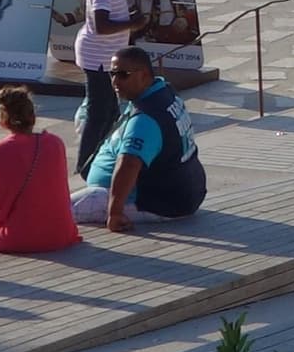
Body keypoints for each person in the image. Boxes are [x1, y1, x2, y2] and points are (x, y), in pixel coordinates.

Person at [75, 49, 206, 228]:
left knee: (53, 212)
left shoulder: (146, 119)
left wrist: (115, 213)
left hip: (152, 202)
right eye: (112, 74)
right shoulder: (162, 90)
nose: (115, 81)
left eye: (122, 75)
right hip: (183, 194)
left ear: (143, 75)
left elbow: (129, 165)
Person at [0, 87, 78, 253]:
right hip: (61, 234)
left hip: (16, 238)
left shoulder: (0, 151)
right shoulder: (55, 143)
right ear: (33, 117)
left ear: (3, 120)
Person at [74, 0, 141, 162]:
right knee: (98, 114)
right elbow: (100, 25)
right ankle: (85, 166)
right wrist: (133, 23)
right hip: (99, 59)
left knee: (111, 112)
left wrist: (129, 19)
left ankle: (99, 160)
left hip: (105, 57)